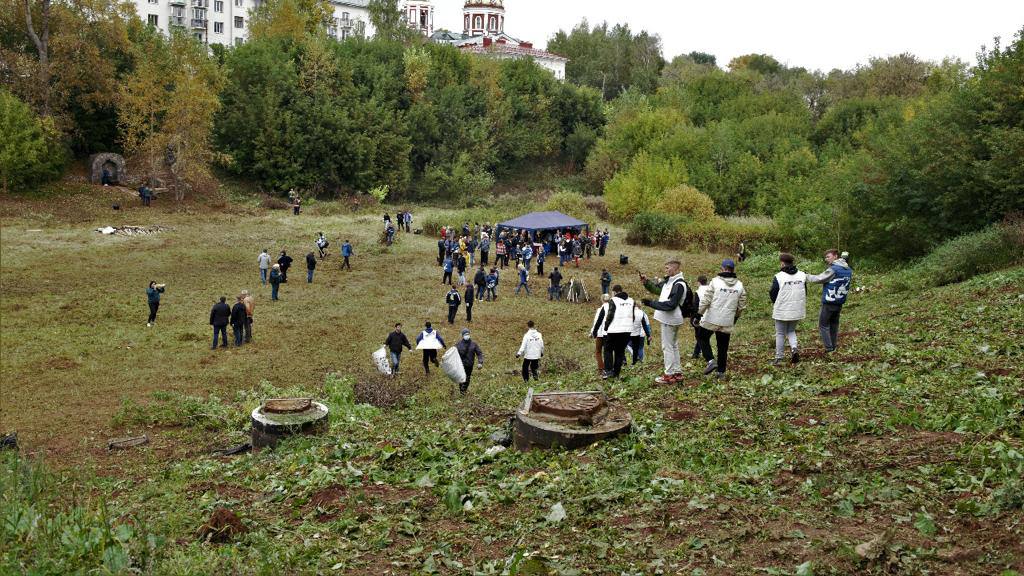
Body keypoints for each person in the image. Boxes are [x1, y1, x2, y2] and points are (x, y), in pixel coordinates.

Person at [640, 259, 689, 385]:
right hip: (670, 318)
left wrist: (651, 303)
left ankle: (668, 375)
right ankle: (677, 373)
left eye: (668, 268)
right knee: (673, 346)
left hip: (671, 318)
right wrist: (646, 282)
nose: (665, 270)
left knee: (667, 347)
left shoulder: (678, 284)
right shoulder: (670, 281)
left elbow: (671, 305)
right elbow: (658, 290)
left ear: (676, 269)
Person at [697, 259, 748, 378]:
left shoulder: (715, 282)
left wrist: (699, 314)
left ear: (723, 268)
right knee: (723, 346)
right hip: (727, 320)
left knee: (701, 337)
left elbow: (706, 300)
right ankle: (721, 372)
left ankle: (710, 361)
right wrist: (735, 318)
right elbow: (741, 305)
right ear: (733, 270)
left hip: (711, 319)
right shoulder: (740, 285)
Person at [807, 249, 853, 353]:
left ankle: (829, 348)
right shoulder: (848, 269)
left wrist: (805, 276)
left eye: (828, 256)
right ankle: (833, 346)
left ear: (835, 256)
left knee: (823, 325)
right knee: (834, 324)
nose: (826, 259)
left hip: (829, 301)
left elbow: (819, 279)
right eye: (826, 257)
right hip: (839, 301)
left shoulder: (833, 269)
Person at [769, 253, 807, 365]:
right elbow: (804, 292)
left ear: (782, 263)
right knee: (791, 330)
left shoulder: (779, 276)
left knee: (780, 333)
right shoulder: (802, 275)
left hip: (782, 310)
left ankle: (779, 358)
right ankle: (794, 349)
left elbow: (773, 293)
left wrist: (775, 302)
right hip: (797, 309)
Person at [602, 285, 636, 379]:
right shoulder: (631, 300)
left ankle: (608, 371)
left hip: (614, 329)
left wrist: (606, 326)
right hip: (627, 330)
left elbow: (610, 315)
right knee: (620, 352)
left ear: (614, 292)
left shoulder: (614, 300)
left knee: (608, 349)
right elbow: (633, 316)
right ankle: (616, 373)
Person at [455, 328, 485, 395]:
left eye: (468, 334)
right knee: (461, 377)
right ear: (462, 335)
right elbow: (453, 354)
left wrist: (480, 362)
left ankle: (464, 390)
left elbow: (479, 353)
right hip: (461, 365)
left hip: (469, 365)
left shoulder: (474, 344)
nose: (467, 335)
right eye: (465, 334)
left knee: (467, 378)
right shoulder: (458, 344)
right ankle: (461, 390)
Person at [590, 294, 610, 375]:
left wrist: (592, 332)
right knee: (607, 351)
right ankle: (608, 367)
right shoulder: (612, 308)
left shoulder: (600, 309)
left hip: (600, 333)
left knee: (598, 351)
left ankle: (601, 368)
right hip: (609, 333)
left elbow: (596, 322)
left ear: (602, 300)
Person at [691, 276, 710, 359]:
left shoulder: (698, 292)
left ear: (698, 282)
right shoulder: (711, 289)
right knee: (703, 336)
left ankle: (698, 354)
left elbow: (696, 306)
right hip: (711, 316)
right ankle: (696, 353)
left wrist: (694, 318)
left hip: (701, 316)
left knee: (699, 336)